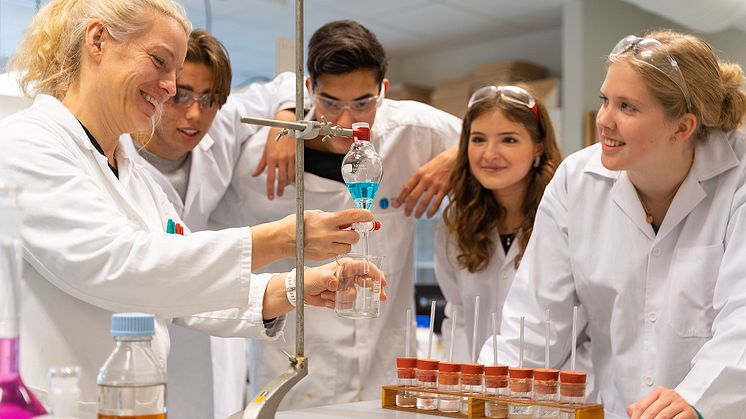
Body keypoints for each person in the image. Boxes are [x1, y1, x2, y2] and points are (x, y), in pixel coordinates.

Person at [0, 1, 382, 414]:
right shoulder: (26, 144)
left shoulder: (135, 174)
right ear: (98, 41)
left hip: (131, 404)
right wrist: (283, 237)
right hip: (54, 406)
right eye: (160, 62)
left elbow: (178, 282)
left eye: (174, 71)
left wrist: (294, 288)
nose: (168, 86)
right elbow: (118, 265)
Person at [479, 30, 746, 418]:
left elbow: (743, 317)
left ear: (683, 127)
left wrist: (699, 398)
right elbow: (536, 324)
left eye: (628, 107)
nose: (605, 120)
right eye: (605, 100)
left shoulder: (738, 179)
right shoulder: (577, 182)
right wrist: (486, 393)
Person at [210, 19, 462, 409]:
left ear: (383, 90)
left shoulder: (414, 131)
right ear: (309, 91)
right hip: (296, 377)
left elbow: (497, 143)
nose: (346, 122)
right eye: (331, 104)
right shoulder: (259, 158)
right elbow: (209, 240)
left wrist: (457, 158)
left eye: (363, 103)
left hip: (385, 371)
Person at [120, 30, 296, 418]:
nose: (196, 114)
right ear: (157, 89)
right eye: (181, 94)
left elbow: (290, 83)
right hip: (138, 321)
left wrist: (284, 123)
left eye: (209, 99)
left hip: (211, 317)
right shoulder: (118, 156)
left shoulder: (222, 125)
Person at [435, 84, 563, 362]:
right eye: (478, 139)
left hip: (548, 389)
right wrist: (460, 387)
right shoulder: (456, 223)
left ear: (538, 147)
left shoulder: (565, 219)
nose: (490, 154)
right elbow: (457, 315)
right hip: (478, 391)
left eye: (509, 140)